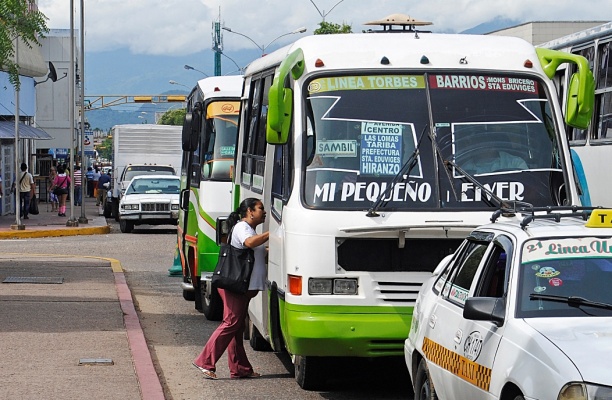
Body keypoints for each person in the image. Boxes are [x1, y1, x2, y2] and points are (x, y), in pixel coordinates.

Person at [193, 198, 269, 380]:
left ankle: (240, 368)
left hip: (243, 286)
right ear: (250, 211)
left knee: (236, 327)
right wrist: (271, 234)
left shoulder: (250, 229)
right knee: (231, 323)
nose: (264, 212)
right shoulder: (243, 228)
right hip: (235, 285)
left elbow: (255, 251)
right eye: (260, 208)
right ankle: (205, 361)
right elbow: (249, 243)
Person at [461, 148, 528, 175]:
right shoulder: (466, 168)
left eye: (489, 142)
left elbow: (528, 186)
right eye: (482, 143)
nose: (486, 148)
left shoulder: (515, 163)